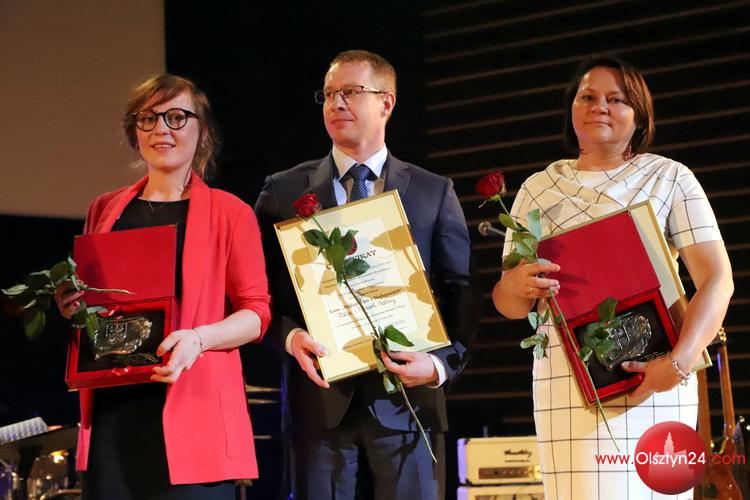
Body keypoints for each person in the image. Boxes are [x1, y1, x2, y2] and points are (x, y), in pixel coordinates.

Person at [492, 55, 734, 499]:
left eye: (616, 99)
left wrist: (677, 363)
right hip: (568, 386)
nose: (599, 106)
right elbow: (510, 306)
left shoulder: (669, 178)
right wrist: (513, 285)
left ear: (639, 114)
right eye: (587, 97)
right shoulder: (537, 188)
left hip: (657, 379)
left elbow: (718, 280)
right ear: (571, 108)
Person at [254, 50, 475, 500]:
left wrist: (438, 365)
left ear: (386, 102)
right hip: (319, 403)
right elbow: (257, 292)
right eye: (329, 94)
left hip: (409, 404)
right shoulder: (284, 190)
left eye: (351, 92)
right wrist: (291, 338)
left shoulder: (433, 191)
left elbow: (462, 292)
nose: (336, 103)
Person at [54, 74, 271, 499]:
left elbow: (256, 313)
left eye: (176, 117)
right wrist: (74, 305)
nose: (161, 129)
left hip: (195, 413)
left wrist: (199, 338)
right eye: (148, 118)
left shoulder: (231, 213)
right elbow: (99, 303)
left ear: (202, 131)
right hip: (114, 413)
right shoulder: (105, 208)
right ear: (134, 132)